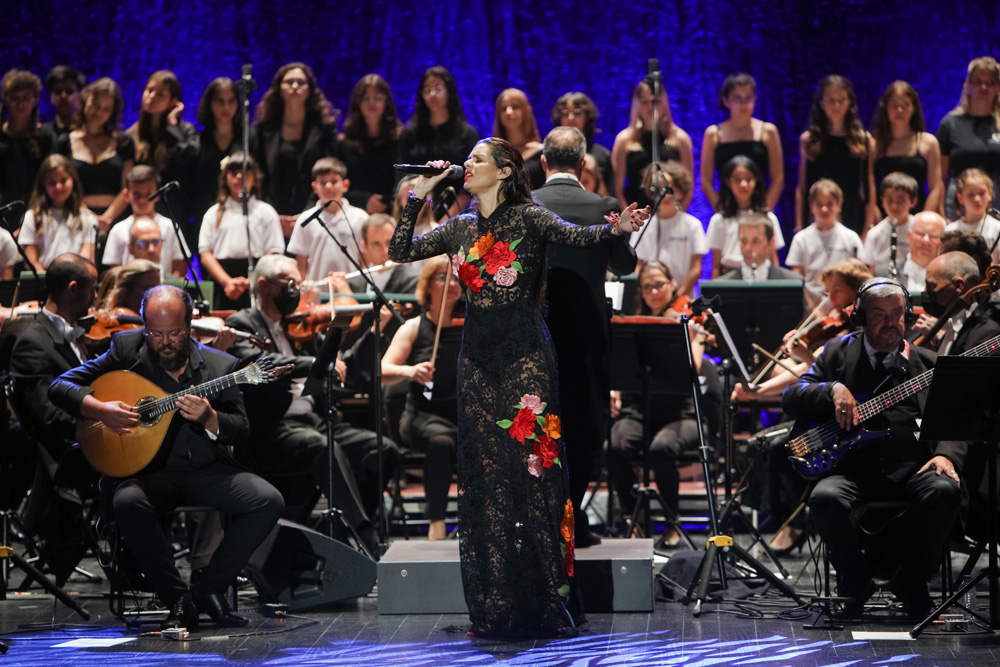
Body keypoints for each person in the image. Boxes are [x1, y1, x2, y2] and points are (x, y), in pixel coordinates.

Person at [388, 137, 648, 638]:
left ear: (505, 172)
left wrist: (617, 226)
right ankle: (496, 602)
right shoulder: (460, 227)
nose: (466, 165)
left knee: (533, 472)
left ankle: (545, 599)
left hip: (527, 359)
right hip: (478, 364)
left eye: (477, 160)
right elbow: (401, 250)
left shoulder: (530, 218)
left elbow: (579, 236)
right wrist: (419, 193)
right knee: (486, 481)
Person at [49, 285, 284, 629]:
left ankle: (209, 589)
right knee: (127, 500)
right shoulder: (125, 349)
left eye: (174, 332)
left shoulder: (222, 365)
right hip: (149, 472)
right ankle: (177, 598)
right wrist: (100, 408)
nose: (165, 342)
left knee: (268, 500)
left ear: (190, 327)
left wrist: (210, 418)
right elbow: (60, 386)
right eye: (155, 334)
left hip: (207, 470)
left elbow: (242, 430)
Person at [781, 278, 966, 619]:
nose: (891, 322)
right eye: (879, 314)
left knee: (945, 490)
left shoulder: (926, 361)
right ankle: (855, 582)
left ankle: (911, 581)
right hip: (852, 470)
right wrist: (831, 388)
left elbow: (956, 421)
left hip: (913, 469)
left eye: (898, 313)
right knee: (825, 498)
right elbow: (792, 396)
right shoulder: (837, 352)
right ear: (861, 318)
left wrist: (945, 455)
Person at [224, 254, 394, 549]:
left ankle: (343, 532)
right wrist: (313, 361)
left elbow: (343, 370)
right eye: (289, 284)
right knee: (322, 447)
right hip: (272, 428)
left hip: (313, 420)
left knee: (381, 450)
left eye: (299, 284)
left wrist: (375, 333)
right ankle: (365, 536)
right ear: (264, 286)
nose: (296, 291)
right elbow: (257, 361)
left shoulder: (299, 329)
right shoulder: (242, 322)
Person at [533, 126, 636, 548]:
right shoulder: (605, 206)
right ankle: (571, 521)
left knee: (538, 424)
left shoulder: (526, 204)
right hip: (588, 336)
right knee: (581, 427)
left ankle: (541, 520)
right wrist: (624, 231)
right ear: (582, 165)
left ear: (543, 163)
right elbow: (625, 266)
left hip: (535, 333)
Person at [608, 261, 716, 546]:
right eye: (648, 287)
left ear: (672, 284)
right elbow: (622, 367)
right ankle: (638, 518)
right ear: (640, 293)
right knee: (615, 446)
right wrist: (614, 391)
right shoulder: (632, 326)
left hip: (683, 413)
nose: (655, 291)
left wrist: (690, 337)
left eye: (660, 284)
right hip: (641, 409)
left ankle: (672, 519)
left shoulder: (687, 321)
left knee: (661, 448)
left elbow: (693, 368)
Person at [9, 254, 100, 584]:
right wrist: (105, 425)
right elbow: (51, 417)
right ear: (74, 289)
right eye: (94, 288)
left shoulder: (71, 335)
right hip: (67, 457)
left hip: (86, 442)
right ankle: (135, 569)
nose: (97, 297)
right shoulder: (34, 344)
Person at [381, 256, 463, 540]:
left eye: (455, 277)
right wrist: (410, 371)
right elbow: (383, 370)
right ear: (427, 287)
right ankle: (437, 523)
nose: (451, 283)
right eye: (442, 277)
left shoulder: (471, 325)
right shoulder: (413, 327)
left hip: (461, 414)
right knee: (442, 442)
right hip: (421, 416)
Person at [252, 62, 338, 239]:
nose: (295, 86)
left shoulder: (324, 129)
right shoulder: (265, 130)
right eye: (289, 82)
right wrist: (272, 215)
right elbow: (259, 175)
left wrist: (307, 214)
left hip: (315, 214)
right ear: (280, 89)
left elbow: (329, 172)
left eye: (301, 82)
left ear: (309, 89)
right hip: (272, 216)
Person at [198, 152, 284, 309]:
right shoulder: (213, 213)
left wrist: (251, 282)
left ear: (254, 178)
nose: (239, 177)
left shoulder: (266, 212)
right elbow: (206, 254)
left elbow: (274, 252)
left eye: (245, 173)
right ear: (226, 178)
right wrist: (227, 282)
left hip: (258, 279)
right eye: (234, 172)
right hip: (224, 282)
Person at [796, 75, 877, 235]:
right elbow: (802, 187)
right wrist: (799, 225)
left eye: (841, 99)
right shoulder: (809, 139)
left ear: (849, 102)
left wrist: (868, 226)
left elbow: (868, 185)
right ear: (821, 102)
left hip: (852, 213)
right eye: (831, 100)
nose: (836, 105)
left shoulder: (863, 139)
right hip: (818, 213)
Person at [58, 77, 134, 231]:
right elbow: (63, 185)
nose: (99, 112)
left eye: (106, 108)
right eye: (96, 104)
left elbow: (128, 187)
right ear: (85, 99)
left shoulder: (123, 143)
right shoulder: (64, 142)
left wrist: (106, 219)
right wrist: (89, 218)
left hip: (116, 221)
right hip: (76, 218)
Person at [397, 66, 479, 205]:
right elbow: (401, 179)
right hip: (417, 209)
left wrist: (446, 221)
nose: (433, 94)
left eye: (439, 88)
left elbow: (472, 181)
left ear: (449, 92)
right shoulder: (409, 134)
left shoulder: (467, 134)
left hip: (456, 212)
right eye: (427, 90)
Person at [127, 71, 198, 231]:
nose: (151, 97)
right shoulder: (133, 134)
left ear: (173, 101)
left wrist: (172, 126)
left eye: (160, 94)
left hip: (172, 212)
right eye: (149, 90)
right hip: (140, 210)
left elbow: (188, 158)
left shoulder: (184, 131)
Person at [700, 73, 784, 210]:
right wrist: (721, 210)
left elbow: (778, 178)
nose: (743, 104)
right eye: (737, 99)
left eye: (748, 98)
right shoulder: (713, 133)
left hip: (760, 209)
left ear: (755, 99)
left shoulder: (768, 131)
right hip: (727, 210)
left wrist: (765, 209)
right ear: (726, 101)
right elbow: (706, 182)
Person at [612, 76, 693, 211]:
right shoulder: (624, 140)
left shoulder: (680, 139)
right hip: (637, 217)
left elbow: (688, 186)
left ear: (663, 102)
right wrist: (630, 221)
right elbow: (617, 189)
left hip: (671, 215)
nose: (650, 107)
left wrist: (676, 216)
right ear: (636, 104)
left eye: (654, 102)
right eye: (644, 102)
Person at [937, 56, 1000, 219]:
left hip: (997, 205)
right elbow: (940, 178)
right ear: (968, 85)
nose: (984, 87)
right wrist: (941, 213)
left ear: (998, 87)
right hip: (959, 206)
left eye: (991, 82)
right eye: (978, 82)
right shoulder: (950, 124)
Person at [286, 157, 369, 282]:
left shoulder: (360, 217)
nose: (328, 186)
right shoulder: (306, 219)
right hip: (317, 292)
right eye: (323, 183)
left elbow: (365, 260)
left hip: (352, 293)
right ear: (315, 187)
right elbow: (301, 265)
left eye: (334, 181)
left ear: (345, 185)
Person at [631, 160, 705, 297]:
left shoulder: (692, 225)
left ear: (681, 191)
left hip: (683, 299)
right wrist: (648, 294)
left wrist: (677, 298)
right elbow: (638, 266)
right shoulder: (643, 225)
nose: (664, 195)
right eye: (659, 189)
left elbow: (696, 269)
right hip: (651, 299)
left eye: (670, 189)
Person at [786, 179, 865, 305]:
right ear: (811, 206)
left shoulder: (851, 237)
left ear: (839, 205)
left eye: (829, 204)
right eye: (819, 204)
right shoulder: (801, 239)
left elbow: (860, 277)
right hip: (810, 309)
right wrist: (812, 311)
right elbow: (797, 280)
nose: (824, 209)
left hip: (844, 309)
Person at [102, 165, 189, 278]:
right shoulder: (118, 230)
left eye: (149, 195)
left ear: (157, 194)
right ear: (127, 195)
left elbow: (180, 266)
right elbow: (115, 271)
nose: (143, 201)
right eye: (137, 195)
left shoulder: (170, 226)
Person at [871, 81, 942, 216]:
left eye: (905, 105)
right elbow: (869, 188)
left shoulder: (928, 142)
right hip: (883, 217)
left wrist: (923, 220)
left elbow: (936, 188)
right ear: (885, 107)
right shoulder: (874, 144)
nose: (899, 110)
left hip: (918, 215)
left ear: (914, 108)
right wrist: (877, 219)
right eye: (894, 105)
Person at [706, 155, 785, 276]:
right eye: (737, 179)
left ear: (756, 180)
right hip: (729, 275)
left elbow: (773, 258)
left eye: (748, 179)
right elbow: (716, 264)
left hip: (761, 275)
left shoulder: (768, 218)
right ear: (728, 182)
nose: (743, 184)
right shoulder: (719, 220)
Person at [19, 154, 96, 270]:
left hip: (76, 279)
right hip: (44, 280)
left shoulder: (87, 218)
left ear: (73, 180)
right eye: (52, 182)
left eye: (63, 180)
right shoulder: (32, 217)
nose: (58, 186)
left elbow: (87, 260)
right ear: (43, 184)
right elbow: (31, 262)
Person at [340, 74, 403, 215]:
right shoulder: (344, 143)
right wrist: (365, 201)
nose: (372, 103)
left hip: (391, 214)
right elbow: (339, 182)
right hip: (353, 214)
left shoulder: (400, 139)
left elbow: (403, 180)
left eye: (377, 98)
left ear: (386, 102)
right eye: (366, 99)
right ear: (358, 104)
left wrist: (384, 202)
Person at [916, 251, 1000, 355]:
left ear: (959, 285)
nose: (925, 291)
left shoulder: (985, 333)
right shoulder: (951, 326)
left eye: (932, 286)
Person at [194, 78, 247, 224]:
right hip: (205, 214)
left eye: (231, 101)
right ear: (209, 103)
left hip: (241, 213)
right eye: (220, 101)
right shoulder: (199, 140)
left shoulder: (248, 137)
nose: (226, 107)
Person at [0, 69, 56, 206]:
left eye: (26, 97)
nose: (20, 104)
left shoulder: (45, 136)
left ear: (36, 100)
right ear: (6, 100)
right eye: (15, 98)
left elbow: (51, 177)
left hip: (37, 211)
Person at [551, 92, 613, 194]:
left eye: (577, 113)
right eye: (565, 113)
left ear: (587, 117)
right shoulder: (550, 154)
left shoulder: (602, 155)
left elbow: (610, 194)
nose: (571, 118)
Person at [864, 172, 919, 276]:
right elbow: (869, 269)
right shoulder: (874, 234)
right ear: (882, 201)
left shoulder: (920, 229)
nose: (894, 206)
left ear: (913, 201)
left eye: (901, 200)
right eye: (889, 200)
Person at [719, 215, 802, 282]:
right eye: (744, 240)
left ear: (771, 242)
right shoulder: (721, 285)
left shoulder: (793, 282)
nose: (748, 248)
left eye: (756, 241)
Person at [946, 168, 1000, 264]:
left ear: (990, 194)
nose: (977, 199)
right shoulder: (950, 231)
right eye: (970, 195)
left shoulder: (997, 228)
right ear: (960, 198)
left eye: (982, 193)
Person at [493, 88, 544, 188]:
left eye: (515, 107)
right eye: (503, 108)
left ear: (526, 111)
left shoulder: (541, 152)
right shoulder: (493, 154)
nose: (508, 112)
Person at [889, 210, 945, 293]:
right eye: (920, 233)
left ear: (943, 242)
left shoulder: (948, 278)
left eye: (934, 235)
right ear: (909, 236)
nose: (925, 240)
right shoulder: (883, 274)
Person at [42, 65, 85, 139]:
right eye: (58, 91)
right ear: (51, 96)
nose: (63, 96)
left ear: (80, 94)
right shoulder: (43, 134)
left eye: (69, 91)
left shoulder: (90, 133)